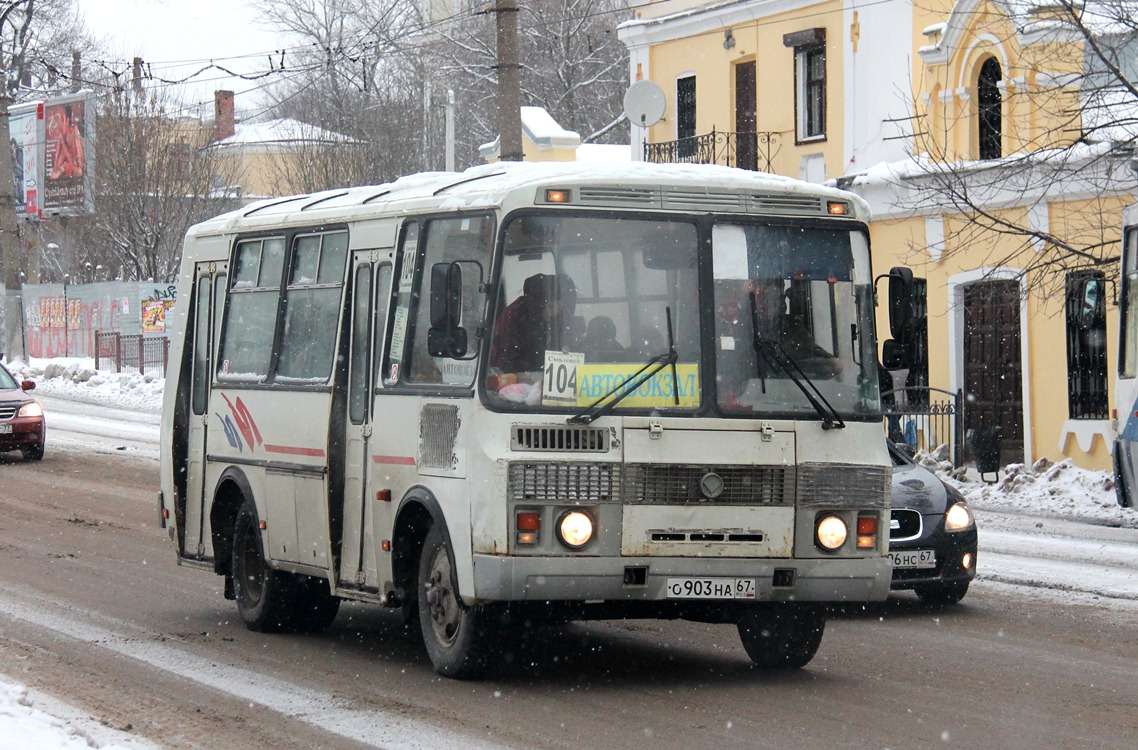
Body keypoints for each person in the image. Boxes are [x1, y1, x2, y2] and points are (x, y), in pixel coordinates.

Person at [489, 272, 577, 373]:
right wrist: (533, 370)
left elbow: (565, 345)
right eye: (551, 307)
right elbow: (504, 357)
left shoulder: (556, 319)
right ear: (539, 305)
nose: (555, 312)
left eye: (559, 308)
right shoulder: (514, 317)